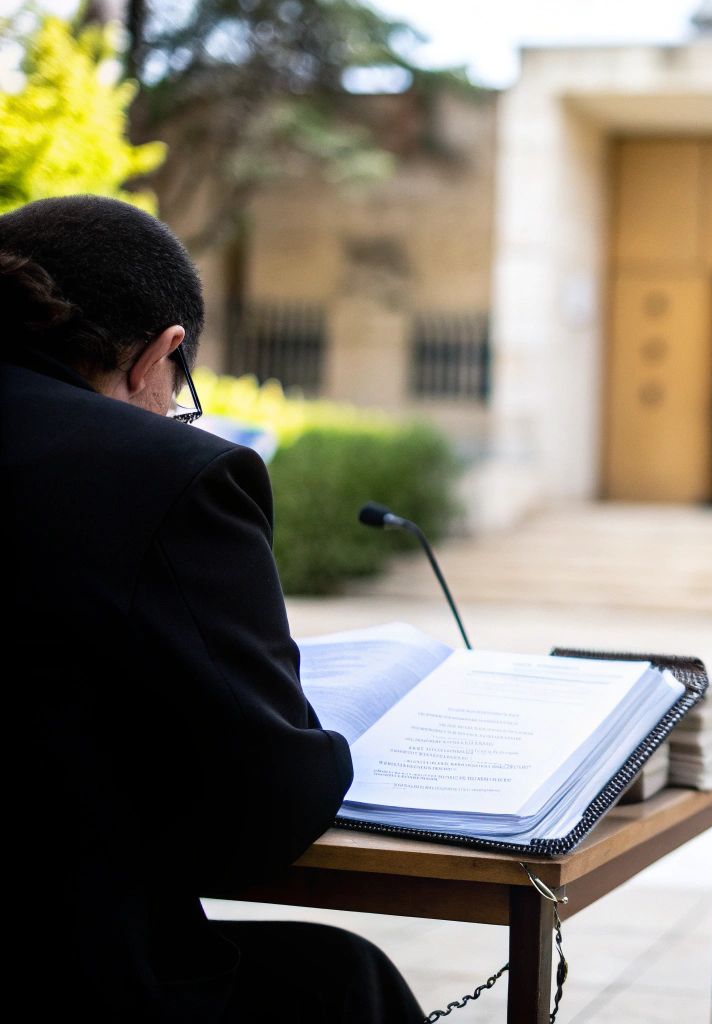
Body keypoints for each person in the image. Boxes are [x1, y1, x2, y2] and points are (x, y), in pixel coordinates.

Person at [0, 196, 424, 1022]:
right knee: (341, 981)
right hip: (69, 974)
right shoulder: (162, 473)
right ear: (162, 352)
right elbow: (264, 811)